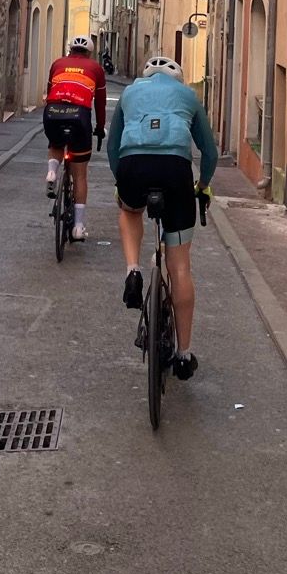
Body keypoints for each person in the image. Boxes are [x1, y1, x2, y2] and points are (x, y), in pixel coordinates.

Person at [106, 54, 217, 381]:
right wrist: (203, 185)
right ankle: (183, 355)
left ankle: (133, 270)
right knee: (180, 267)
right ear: (177, 79)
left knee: (129, 210)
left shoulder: (130, 93)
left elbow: (112, 147)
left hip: (133, 166)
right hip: (174, 170)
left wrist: (121, 183)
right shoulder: (188, 96)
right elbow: (209, 152)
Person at [43, 34, 107, 241]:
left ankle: (52, 172)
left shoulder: (57, 63)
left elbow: (49, 91)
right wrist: (100, 127)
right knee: (80, 175)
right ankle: (78, 227)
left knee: (56, 142)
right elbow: (100, 103)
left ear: (70, 50)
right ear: (89, 53)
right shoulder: (95, 68)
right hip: (79, 115)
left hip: (53, 111)